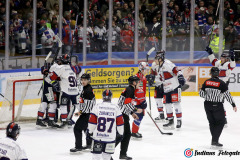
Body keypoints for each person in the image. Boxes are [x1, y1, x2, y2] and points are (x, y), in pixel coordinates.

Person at [199, 67, 237, 147]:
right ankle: (215, 140)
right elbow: (227, 95)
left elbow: (201, 94)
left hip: (207, 105)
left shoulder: (206, 82)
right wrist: (233, 104)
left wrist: (209, 95)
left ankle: (214, 140)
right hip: (217, 105)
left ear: (211, 73)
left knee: (212, 122)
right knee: (221, 122)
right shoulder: (222, 83)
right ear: (218, 73)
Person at [88, 89, 124, 160]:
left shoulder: (97, 106)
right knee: (107, 157)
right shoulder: (116, 107)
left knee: (96, 156)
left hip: (98, 137)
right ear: (111, 97)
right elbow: (120, 123)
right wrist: (121, 133)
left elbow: (92, 122)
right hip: (110, 137)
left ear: (102, 97)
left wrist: (90, 132)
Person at [154, 50, 185, 129]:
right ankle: (170, 121)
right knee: (167, 104)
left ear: (160, 58)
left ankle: (179, 120)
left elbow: (177, 70)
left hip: (174, 86)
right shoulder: (158, 67)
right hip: (166, 88)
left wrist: (180, 76)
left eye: (156, 58)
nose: (155, 60)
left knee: (176, 103)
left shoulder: (167, 64)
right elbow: (161, 78)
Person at [206, 46, 236, 126]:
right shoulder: (218, 63)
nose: (222, 59)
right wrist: (210, 53)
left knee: (219, 102)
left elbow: (232, 65)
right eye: (221, 57)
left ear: (226, 59)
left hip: (224, 84)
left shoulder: (228, 64)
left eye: (223, 58)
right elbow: (213, 61)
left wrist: (233, 58)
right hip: (217, 84)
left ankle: (223, 119)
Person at [47, 54, 78, 128]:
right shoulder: (72, 68)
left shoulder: (61, 68)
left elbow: (52, 77)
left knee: (63, 105)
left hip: (66, 91)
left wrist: (50, 72)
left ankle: (64, 121)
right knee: (73, 106)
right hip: (75, 90)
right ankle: (68, 119)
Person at [70, 73, 96, 153]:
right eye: (82, 80)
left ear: (89, 80)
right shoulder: (86, 88)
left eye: (85, 80)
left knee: (77, 129)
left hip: (86, 114)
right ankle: (89, 144)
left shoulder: (87, 90)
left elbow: (88, 105)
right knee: (86, 128)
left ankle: (78, 146)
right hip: (88, 114)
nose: (83, 81)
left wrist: (80, 112)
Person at [117, 75, 140, 160]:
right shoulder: (130, 89)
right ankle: (108, 151)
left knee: (124, 134)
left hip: (121, 114)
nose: (139, 83)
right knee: (123, 135)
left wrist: (131, 113)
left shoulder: (129, 89)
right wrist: (136, 109)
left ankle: (122, 154)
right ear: (134, 82)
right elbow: (127, 103)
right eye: (138, 81)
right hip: (121, 115)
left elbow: (125, 103)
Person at [131, 62, 149, 138]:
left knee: (140, 115)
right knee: (139, 115)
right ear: (141, 69)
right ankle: (134, 132)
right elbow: (139, 91)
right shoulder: (138, 78)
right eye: (145, 69)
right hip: (137, 101)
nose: (147, 71)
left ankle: (134, 131)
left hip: (138, 100)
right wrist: (142, 101)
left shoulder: (142, 77)